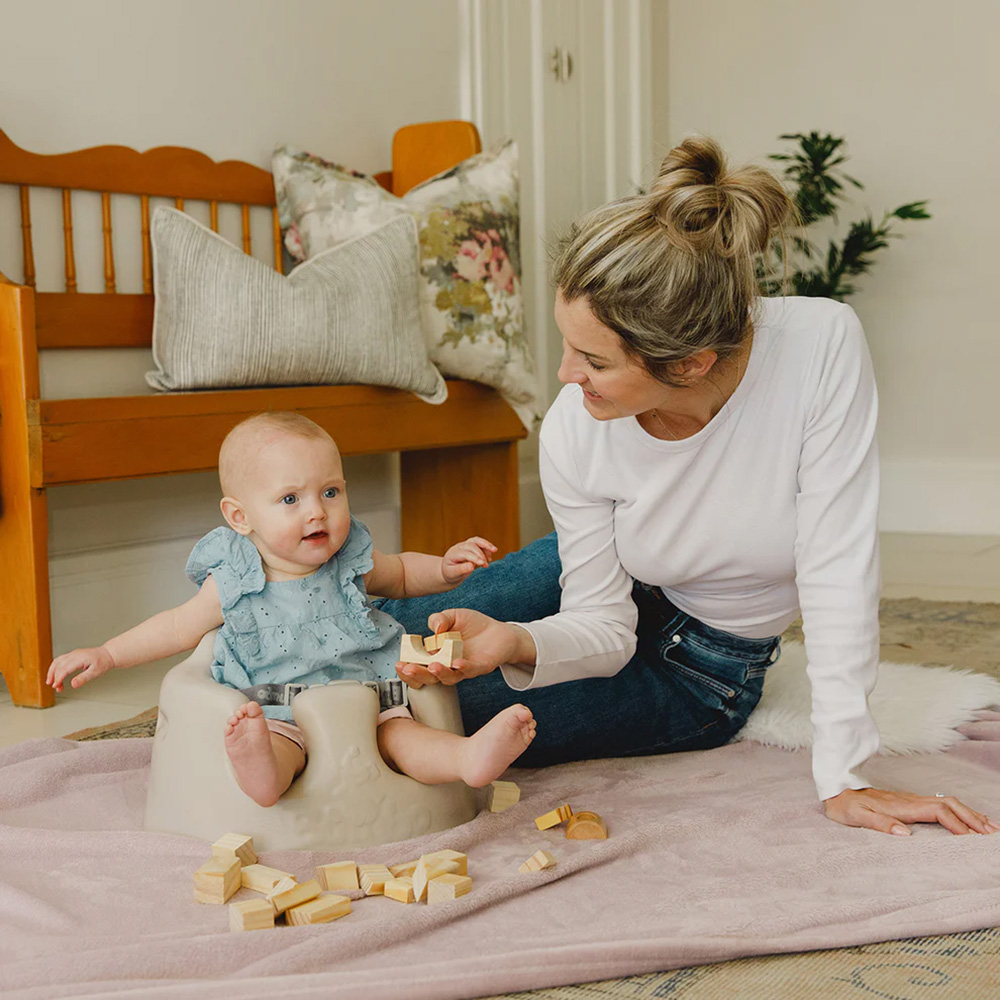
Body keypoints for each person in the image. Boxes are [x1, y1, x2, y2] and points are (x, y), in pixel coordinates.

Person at [386, 136, 997, 839]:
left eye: (593, 360)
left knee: (419, 717)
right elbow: (604, 624)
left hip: (704, 672)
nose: (564, 377)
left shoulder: (819, 347)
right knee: (374, 646)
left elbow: (838, 570)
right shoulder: (575, 429)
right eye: (567, 344)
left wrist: (846, 774)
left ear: (690, 363)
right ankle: (246, 632)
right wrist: (519, 639)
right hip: (607, 588)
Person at [46, 412, 536, 807]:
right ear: (240, 516)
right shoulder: (236, 575)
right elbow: (177, 627)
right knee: (282, 744)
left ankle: (466, 758)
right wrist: (107, 654)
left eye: (330, 491)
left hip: (367, 691)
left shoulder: (348, 556)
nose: (317, 511)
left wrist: (446, 570)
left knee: (402, 735)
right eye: (289, 498)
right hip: (278, 703)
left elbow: (403, 575)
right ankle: (261, 770)